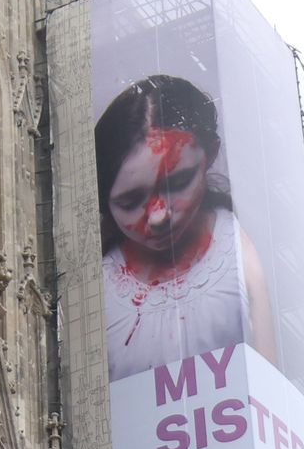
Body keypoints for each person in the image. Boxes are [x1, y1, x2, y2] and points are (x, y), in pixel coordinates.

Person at [94, 73, 276, 384]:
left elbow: (270, 380)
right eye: (130, 201)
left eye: (178, 183)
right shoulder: (97, 287)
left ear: (211, 154)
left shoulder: (236, 249)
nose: (158, 216)